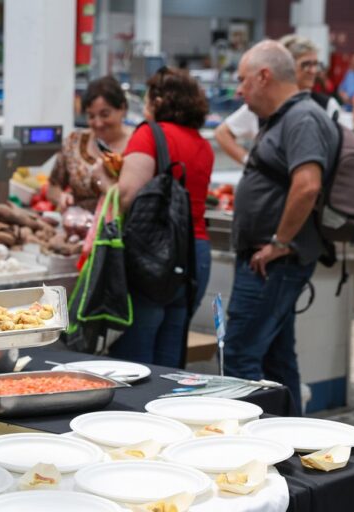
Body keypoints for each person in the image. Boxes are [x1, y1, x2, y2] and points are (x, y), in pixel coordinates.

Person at [224, 40, 339, 413]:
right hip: (269, 262)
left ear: (264, 76)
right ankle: (292, 443)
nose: (239, 90)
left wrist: (278, 241)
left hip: (272, 263)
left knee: (241, 359)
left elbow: (307, 185)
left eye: (243, 80)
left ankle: (251, 449)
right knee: (277, 360)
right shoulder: (286, 117)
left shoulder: (302, 118)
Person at [104, 68, 213, 367]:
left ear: (160, 100)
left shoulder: (150, 134)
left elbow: (126, 195)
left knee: (135, 361)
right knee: (169, 363)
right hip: (195, 255)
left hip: (153, 257)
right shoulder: (203, 144)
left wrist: (103, 178)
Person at [214, 35, 341, 166]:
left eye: (316, 64)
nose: (313, 71)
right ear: (287, 65)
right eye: (306, 64)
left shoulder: (326, 105)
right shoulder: (262, 106)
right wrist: (249, 161)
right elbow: (222, 133)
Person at [48, 75, 132, 213]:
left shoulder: (139, 146)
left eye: (105, 114)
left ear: (122, 109)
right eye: (91, 116)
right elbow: (52, 187)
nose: (98, 123)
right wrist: (62, 197)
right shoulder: (74, 142)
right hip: (78, 227)